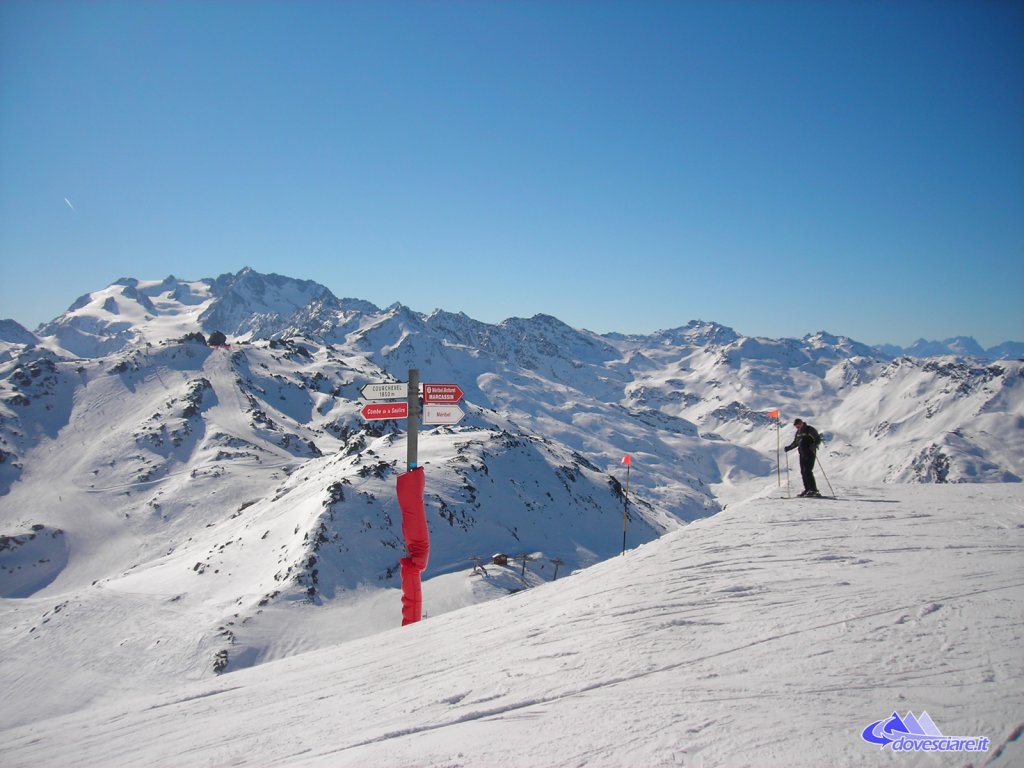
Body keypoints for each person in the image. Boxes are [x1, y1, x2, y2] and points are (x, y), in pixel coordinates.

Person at [784, 418, 822, 497]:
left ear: (801, 423)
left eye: (798, 426)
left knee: (808, 471)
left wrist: (814, 446)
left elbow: (817, 439)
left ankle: (813, 490)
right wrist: (789, 448)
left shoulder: (809, 429)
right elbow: (796, 442)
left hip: (810, 453)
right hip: (802, 454)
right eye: (796, 427)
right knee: (803, 471)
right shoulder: (798, 432)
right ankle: (807, 489)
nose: (797, 428)